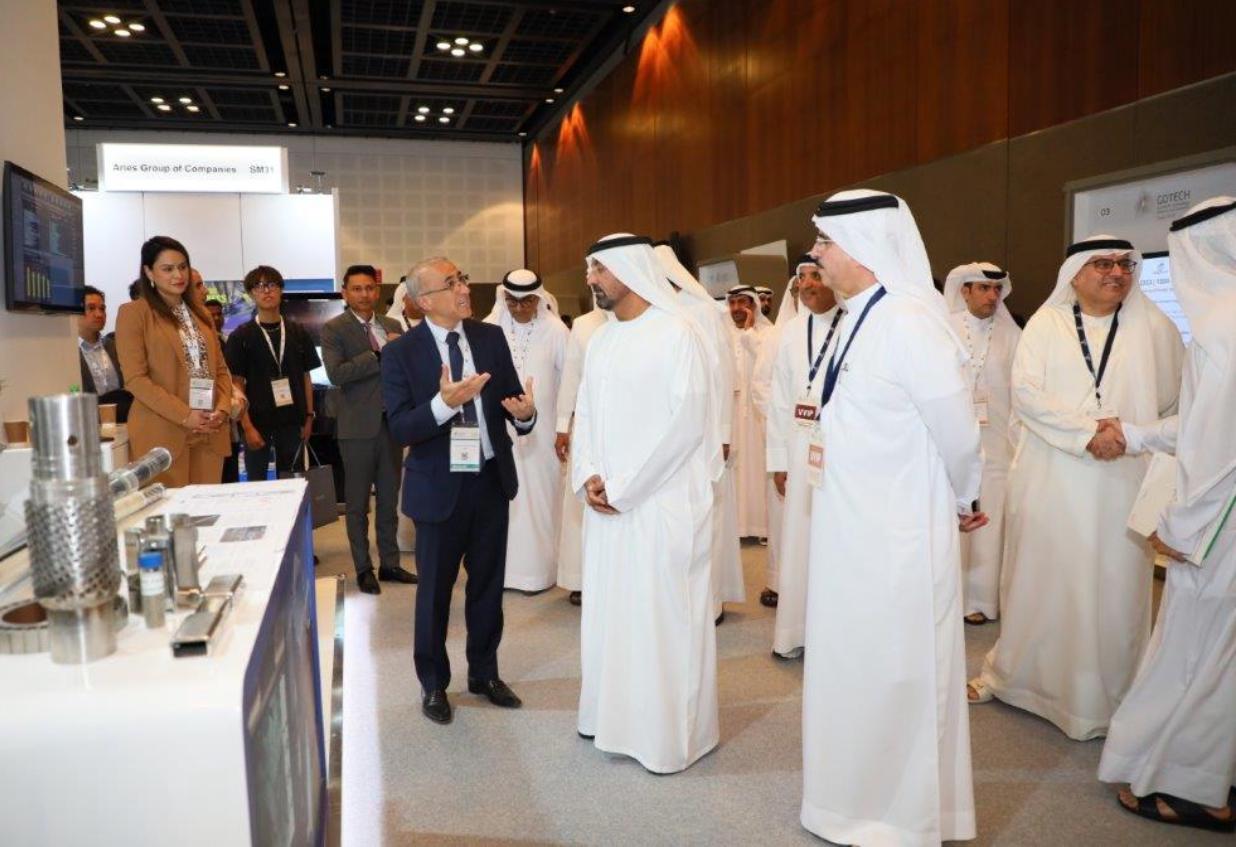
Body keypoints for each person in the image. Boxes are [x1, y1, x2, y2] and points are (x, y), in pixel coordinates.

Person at [801, 190, 985, 845]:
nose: (815, 253)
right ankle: (846, 801)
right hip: (847, 528)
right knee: (852, 664)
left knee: (897, 669)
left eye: (825, 242)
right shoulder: (857, 315)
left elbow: (957, 430)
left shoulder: (908, 320)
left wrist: (966, 496)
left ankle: (898, 817)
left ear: (865, 246)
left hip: (897, 533)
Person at [968, 236, 1185, 740]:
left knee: (1113, 587)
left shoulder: (1156, 327)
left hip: (1123, 480)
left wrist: (1127, 434)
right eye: (1103, 263)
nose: (1117, 273)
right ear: (1076, 273)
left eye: (1124, 264)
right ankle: (1023, 682)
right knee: (1043, 579)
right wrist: (1087, 433)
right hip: (1053, 475)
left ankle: (1103, 699)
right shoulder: (1047, 324)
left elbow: (1174, 402)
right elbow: (1027, 394)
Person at [1099, 197, 1236, 832]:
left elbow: (1219, 451)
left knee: (1202, 654)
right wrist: (1133, 433)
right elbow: (1200, 425)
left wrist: (1181, 526)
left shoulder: (1223, 327)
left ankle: (1195, 788)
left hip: (1219, 525)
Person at [573, 234, 719, 774]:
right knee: (612, 615)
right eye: (590, 269)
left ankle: (666, 738)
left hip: (662, 504)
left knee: (663, 620)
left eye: (600, 270)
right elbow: (585, 414)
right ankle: (610, 718)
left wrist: (626, 488)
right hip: (608, 506)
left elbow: (687, 424)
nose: (591, 279)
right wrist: (589, 474)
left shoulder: (678, 332)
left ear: (630, 271)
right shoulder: (602, 339)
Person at [381, 256, 536, 725]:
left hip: (489, 480)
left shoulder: (490, 337)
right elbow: (400, 427)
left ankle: (484, 674)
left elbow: (512, 401)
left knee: (487, 587)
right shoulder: (401, 353)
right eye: (452, 284)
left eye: (463, 278)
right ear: (425, 301)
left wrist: (526, 415)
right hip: (438, 489)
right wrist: (443, 405)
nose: (465, 289)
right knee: (434, 592)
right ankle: (433, 683)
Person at [655, 243, 740, 621]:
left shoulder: (703, 310)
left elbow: (724, 375)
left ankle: (711, 600)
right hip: (665, 434)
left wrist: (723, 433)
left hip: (705, 431)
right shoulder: (651, 311)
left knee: (707, 514)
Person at [760, 256, 838, 658]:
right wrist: (778, 460)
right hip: (797, 449)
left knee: (834, 545)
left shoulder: (853, 325)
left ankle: (833, 636)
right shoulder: (790, 332)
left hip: (840, 455)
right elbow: (777, 400)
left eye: (816, 276)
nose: (807, 284)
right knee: (799, 541)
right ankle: (794, 632)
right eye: (802, 277)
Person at [321, 265, 416, 595]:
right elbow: (336, 374)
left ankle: (390, 563)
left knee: (389, 501)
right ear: (345, 292)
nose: (364, 294)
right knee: (358, 504)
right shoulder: (334, 329)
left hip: (392, 425)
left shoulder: (393, 325)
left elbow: (405, 372)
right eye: (357, 289)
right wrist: (377, 353)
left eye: (370, 288)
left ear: (378, 291)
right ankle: (363, 568)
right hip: (356, 428)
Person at [115, 236, 233, 487]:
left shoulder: (201, 314)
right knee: (170, 508)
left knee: (206, 507)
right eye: (167, 269)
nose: (178, 275)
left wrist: (222, 409)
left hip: (209, 430)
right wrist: (185, 415)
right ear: (149, 272)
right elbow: (135, 379)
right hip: (162, 431)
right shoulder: (134, 313)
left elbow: (221, 370)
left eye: (182, 267)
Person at [943, 262, 1022, 625]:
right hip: (953, 442)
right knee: (952, 515)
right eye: (984, 288)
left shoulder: (1012, 335)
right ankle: (949, 597)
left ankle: (981, 600)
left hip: (997, 444)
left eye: (997, 290)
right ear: (965, 291)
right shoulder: (943, 328)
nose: (992, 296)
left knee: (989, 518)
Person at [483, 269, 568, 592]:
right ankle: (505, 573)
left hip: (543, 431)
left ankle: (540, 572)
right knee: (503, 499)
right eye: (512, 301)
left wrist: (563, 427)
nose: (519, 308)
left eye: (527, 301)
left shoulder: (556, 330)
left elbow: (570, 381)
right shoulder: (489, 328)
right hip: (500, 429)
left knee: (542, 499)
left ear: (539, 299)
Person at [753, 255, 818, 609]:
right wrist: (787, 426)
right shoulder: (780, 335)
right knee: (784, 519)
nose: (806, 289)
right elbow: (762, 388)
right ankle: (780, 582)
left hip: (821, 444)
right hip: (788, 442)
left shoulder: (840, 327)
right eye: (799, 283)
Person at [224, 266, 321, 482]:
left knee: (293, 482)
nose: (266, 290)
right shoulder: (241, 336)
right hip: (257, 421)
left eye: (271, 285)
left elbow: (306, 377)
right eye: (259, 286)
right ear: (251, 294)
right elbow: (236, 385)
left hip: (293, 421)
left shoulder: (298, 332)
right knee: (257, 484)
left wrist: (308, 418)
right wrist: (246, 426)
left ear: (281, 290)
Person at [554, 297, 608, 606]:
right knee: (582, 504)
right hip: (588, 428)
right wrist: (562, 425)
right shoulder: (584, 325)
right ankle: (581, 578)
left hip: (629, 431)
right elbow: (571, 377)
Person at [727, 284, 772, 546]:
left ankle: (761, 525)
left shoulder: (767, 333)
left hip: (757, 417)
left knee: (758, 467)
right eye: (732, 303)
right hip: (732, 416)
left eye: (742, 303)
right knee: (736, 469)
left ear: (753, 305)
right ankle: (737, 526)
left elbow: (767, 366)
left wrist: (749, 333)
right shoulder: (724, 335)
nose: (736, 309)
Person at [78, 284, 132, 422]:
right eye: (91, 308)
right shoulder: (68, 353)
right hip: (89, 423)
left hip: (124, 420)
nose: (99, 314)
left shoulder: (116, 346)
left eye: (102, 309)